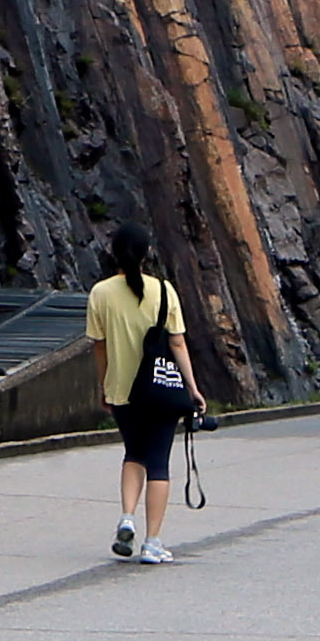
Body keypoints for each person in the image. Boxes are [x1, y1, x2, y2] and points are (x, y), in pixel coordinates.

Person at [87, 224, 208, 565]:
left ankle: (127, 517)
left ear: (114, 254)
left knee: (133, 454)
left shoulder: (100, 293)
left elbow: (100, 347)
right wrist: (193, 388)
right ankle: (152, 543)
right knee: (158, 463)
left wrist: (104, 385)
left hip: (122, 390)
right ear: (146, 254)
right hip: (161, 390)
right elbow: (177, 342)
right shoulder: (164, 291)